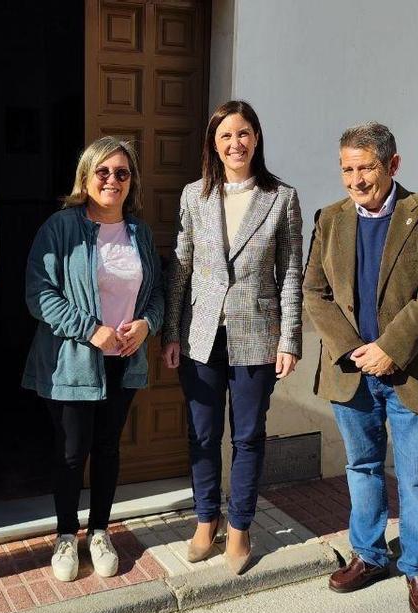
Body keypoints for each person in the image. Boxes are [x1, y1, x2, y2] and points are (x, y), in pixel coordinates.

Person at [303, 122, 418, 613]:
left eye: (365, 167)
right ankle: (369, 556)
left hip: (414, 371)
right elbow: (315, 292)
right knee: (362, 467)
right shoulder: (329, 219)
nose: (355, 180)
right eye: (347, 169)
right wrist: (355, 349)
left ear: (393, 165)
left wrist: (390, 349)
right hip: (352, 373)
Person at [162, 100, 303, 574]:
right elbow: (180, 267)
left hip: (256, 335)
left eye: (243, 134)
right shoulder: (193, 196)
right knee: (202, 434)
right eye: (225, 136)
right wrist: (171, 332)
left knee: (247, 436)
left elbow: (291, 274)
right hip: (200, 334)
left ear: (256, 138)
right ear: (213, 143)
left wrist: (289, 339)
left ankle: (240, 528)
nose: (235, 143)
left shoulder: (281, 197)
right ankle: (206, 521)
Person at [22, 136, 164, 582]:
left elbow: (156, 293)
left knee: (106, 449)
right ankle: (67, 536)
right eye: (102, 171)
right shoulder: (60, 228)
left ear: (132, 181)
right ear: (86, 177)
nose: (112, 180)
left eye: (122, 173)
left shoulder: (140, 232)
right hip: (73, 362)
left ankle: (99, 531)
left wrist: (146, 325)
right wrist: (91, 329)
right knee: (70, 452)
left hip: (123, 361)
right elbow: (38, 294)